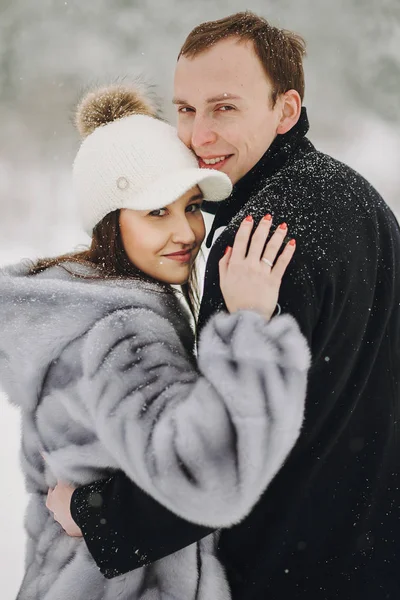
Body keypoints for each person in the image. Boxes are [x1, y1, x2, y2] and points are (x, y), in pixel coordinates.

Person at [50, 11, 400, 600]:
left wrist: (97, 516)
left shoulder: (259, 242)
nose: (197, 136)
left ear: (284, 110)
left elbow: (219, 457)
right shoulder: (359, 197)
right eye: (185, 109)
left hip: (287, 569)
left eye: (225, 108)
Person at [0, 84, 308, 600]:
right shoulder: (124, 331)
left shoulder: (70, 304)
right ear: (109, 223)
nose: (186, 232)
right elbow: (213, 477)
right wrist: (249, 330)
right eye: (155, 213)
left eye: (190, 207)